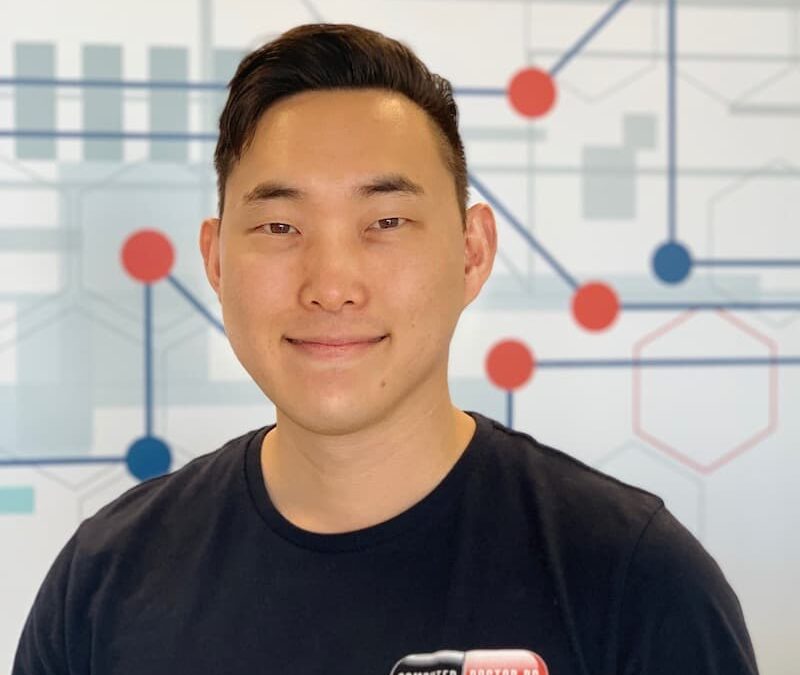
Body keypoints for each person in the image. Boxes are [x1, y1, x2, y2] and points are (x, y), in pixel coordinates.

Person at [13, 22, 759, 675]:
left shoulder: (634, 582)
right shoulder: (103, 582)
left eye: (386, 222)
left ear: (471, 252)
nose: (331, 285)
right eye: (279, 226)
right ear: (214, 260)